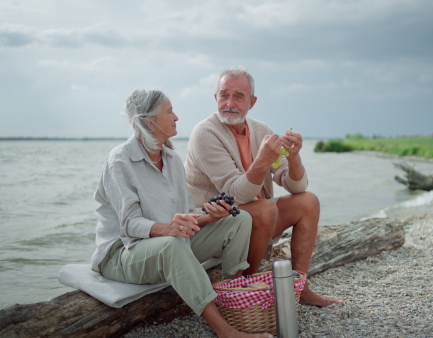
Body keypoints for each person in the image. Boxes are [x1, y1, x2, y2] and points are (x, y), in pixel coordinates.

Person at [90, 89, 272, 338]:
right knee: (171, 244)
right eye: (170, 111)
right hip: (123, 253)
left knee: (239, 219)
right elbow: (130, 224)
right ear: (149, 122)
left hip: (169, 243)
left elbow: (185, 215)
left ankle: (234, 301)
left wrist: (211, 215)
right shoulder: (120, 160)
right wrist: (168, 229)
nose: (176, 117)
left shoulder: (173, 159)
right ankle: (225, 331)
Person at [185, 66, 342, 307]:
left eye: (239, 96)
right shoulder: (204, 133)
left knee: (308, 201)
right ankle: (248, 290)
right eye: (224, 95)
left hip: (258, 219)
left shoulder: (262, 131)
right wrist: (262, 161)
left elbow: (296, 186)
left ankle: (300, 287)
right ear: (215, 98)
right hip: (217, 226)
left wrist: (293, 156)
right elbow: (234, 196)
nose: (230, 103)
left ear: (252, 102)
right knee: (265, 208)